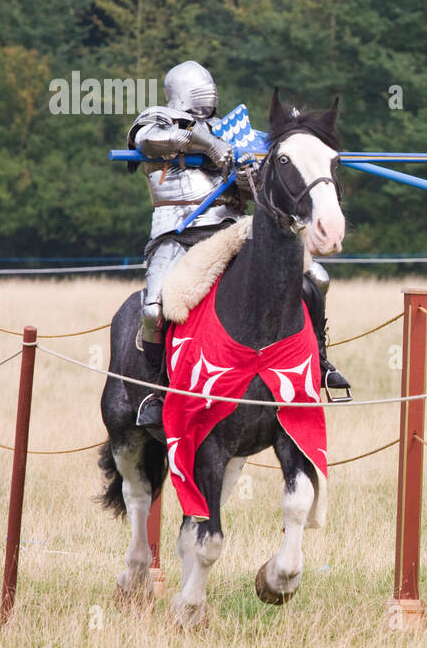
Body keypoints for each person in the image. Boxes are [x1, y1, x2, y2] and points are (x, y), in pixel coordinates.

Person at [128, 61, 350, 427]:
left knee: (316, 278)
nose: (207, 96)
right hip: (179, 234)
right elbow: (149, 141)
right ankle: (158, 390)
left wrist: (249, 171)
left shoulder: (234, 131)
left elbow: (261, 184)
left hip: (234, 230)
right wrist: (210, 146)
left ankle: (320, 362)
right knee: (154, 309)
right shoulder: (157, 120)